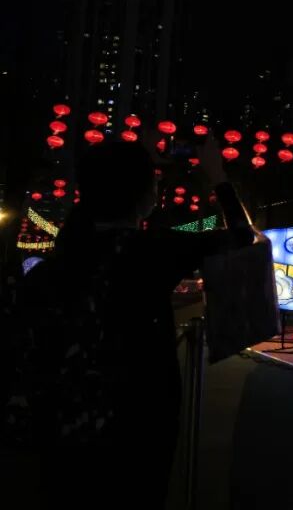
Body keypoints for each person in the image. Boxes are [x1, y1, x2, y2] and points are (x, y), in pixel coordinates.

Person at [10, 135, 255, 506]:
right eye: (152, 182)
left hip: (63, 421)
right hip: (138, 418)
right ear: (144, 196)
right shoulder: (152, 250)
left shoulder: (60, 260)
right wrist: (217, 175)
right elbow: (242, 235)